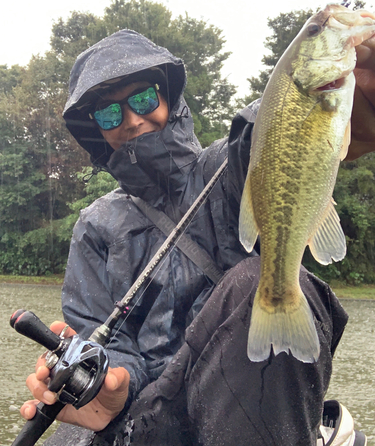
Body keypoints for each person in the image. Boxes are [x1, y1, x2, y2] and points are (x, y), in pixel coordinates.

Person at [19, 25, 375, 445]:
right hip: (147, 419)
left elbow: (267, 135)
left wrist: (335, 101)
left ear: (168, 96)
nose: (132, 119)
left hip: (242, 398)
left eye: (143, 98)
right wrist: (112, 388)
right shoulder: (95, 225)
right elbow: (101, 335)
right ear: (96, 129)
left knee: (256, 280)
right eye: (110, 114)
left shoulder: (227, 169)